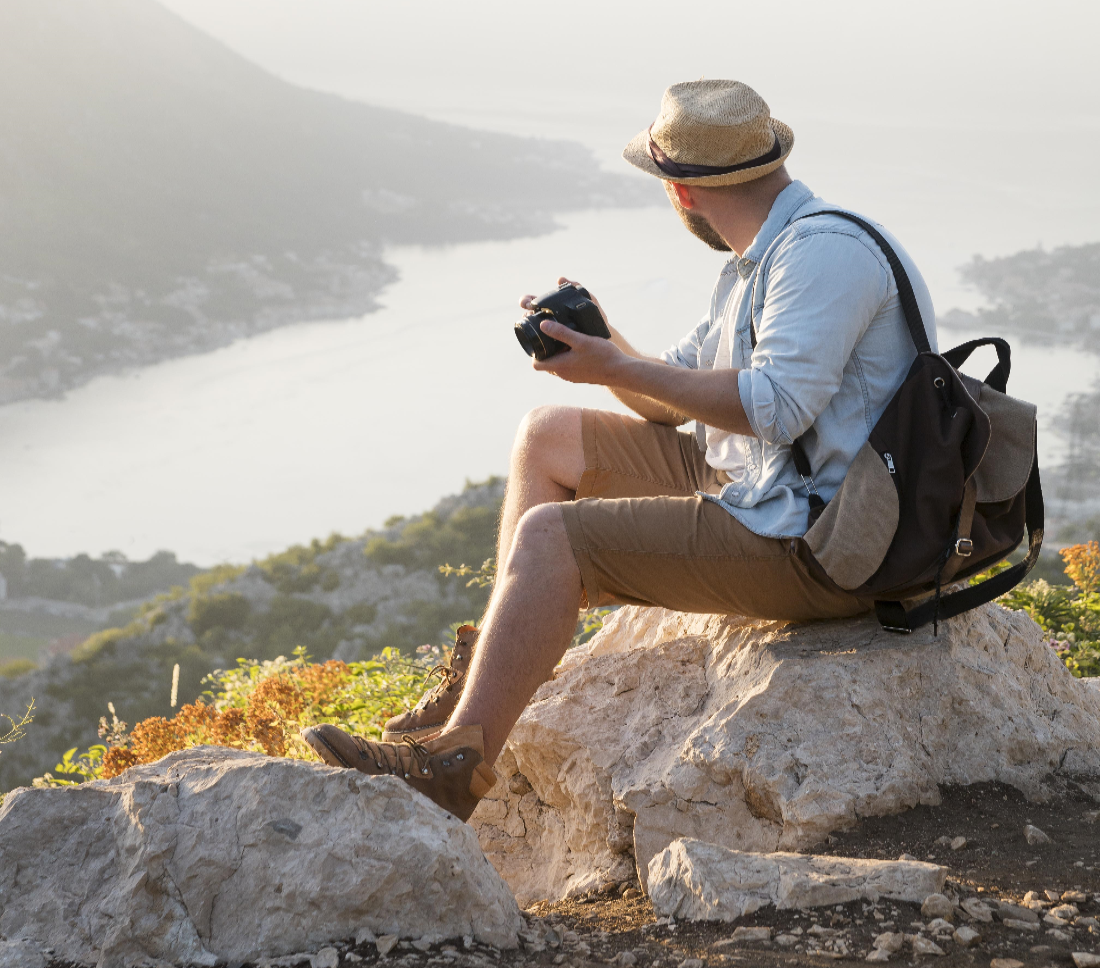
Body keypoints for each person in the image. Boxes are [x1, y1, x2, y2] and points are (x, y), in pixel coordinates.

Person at [302, 79, 937, 821]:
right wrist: (603, 348)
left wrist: (615, 367)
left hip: (822, 537)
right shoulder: (758, 262)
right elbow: (668, 400)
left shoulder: (822, 256)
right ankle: (484, 674)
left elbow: (776, 406)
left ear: (681, 192)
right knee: (547, 433)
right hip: (764, 481)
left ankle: (452, 767)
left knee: (551, 539)